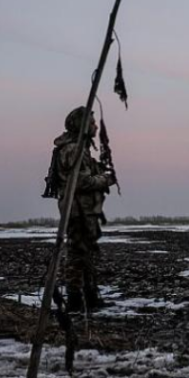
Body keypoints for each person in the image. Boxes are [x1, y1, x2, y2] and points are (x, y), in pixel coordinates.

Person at [45, 106, 117, 312]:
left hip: (84, 210)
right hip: (76, 210)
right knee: (77, 253)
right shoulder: (73, 149)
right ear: (83, 125)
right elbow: (81, 182)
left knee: (86, 252)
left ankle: (89, 297)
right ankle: (77, 300)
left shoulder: (79, 148)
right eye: (92, 123)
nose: (96, 126)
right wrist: (107, 179)